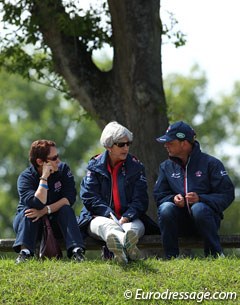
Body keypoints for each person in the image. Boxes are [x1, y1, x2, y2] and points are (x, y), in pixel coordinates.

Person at [153, 121, 235, 259]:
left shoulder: (211, 163)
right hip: (180, 224)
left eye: (170, 142)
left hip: (206, 220)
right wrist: (172, 199)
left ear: (184, 143)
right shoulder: (165, 167)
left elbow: (227, 194)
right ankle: (172, 258)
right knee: (166, 208)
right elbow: (159, 195)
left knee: (199, 208)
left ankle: (215, 256)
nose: (165, 145)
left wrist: (201, 199)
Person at [79, 121, 149, 263]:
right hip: (99, 218)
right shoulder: (94, 166)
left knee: (132, 229)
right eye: (121, 144)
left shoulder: (136, 167)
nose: (126, 148)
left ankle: (121, 254)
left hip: (130, 218)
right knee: (106, 227)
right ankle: (127, 247)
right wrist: (109, 215)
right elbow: (89, 197)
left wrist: (127, 217)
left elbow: (141, 200)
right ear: (108, 146)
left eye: (128, 143)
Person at [13, 139, 85, 263]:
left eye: (58, 156)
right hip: (30, 225)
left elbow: (69, 198)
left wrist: (46, 210)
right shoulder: (25, 178)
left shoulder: (63, 170)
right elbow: (37, 203)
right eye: (54, 158)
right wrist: (44, 177)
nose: (59, 161)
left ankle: (76, 252)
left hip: (56, 222)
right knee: (28, 212)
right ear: (40, 162)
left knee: (66, 210)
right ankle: (25, 253)